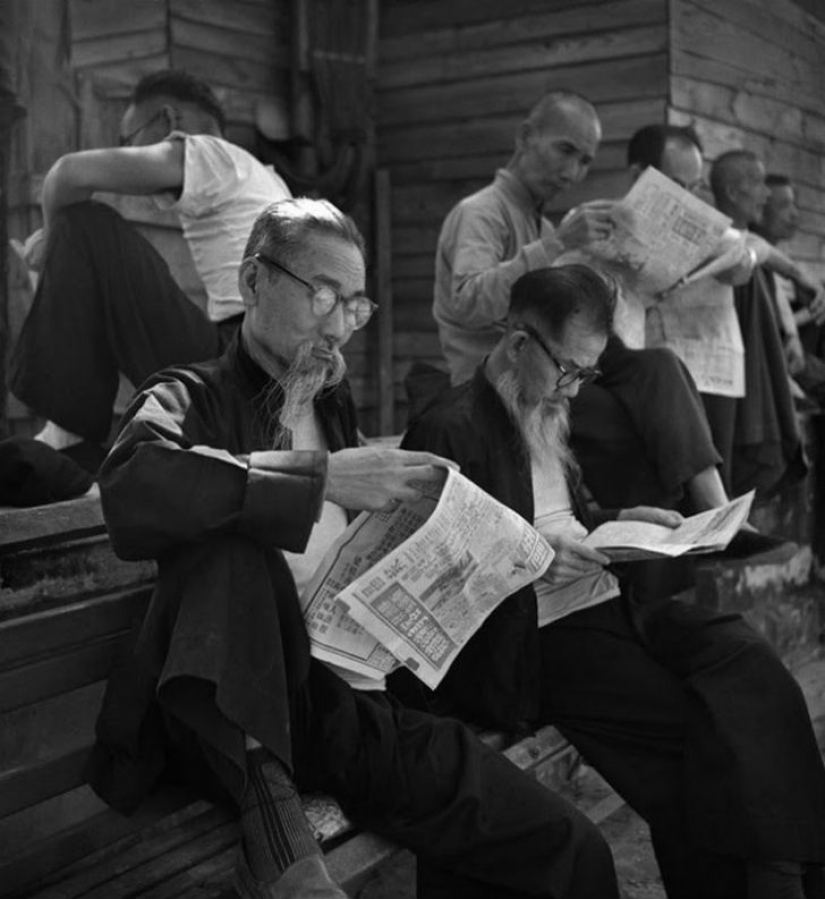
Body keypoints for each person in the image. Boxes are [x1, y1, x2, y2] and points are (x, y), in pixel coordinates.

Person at [86, 198, 619, 899]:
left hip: (360, 694)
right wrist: (322, 478)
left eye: (353, 304)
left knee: (563, 845)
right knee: (232, 547)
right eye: (322, 295)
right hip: (258, 705)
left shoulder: (329, 403)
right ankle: (272, 825)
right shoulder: (188, 394)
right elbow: (129, 484)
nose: (338, 326)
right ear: (253, 282)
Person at [400, 263, 825, 899]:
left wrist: (621, 521)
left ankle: (794, 867)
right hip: (535, 636)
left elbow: (566, 516)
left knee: (744, 655)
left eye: (587, 374)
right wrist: (532, 560)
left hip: (601, 597)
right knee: (700, 728)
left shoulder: (544, 403)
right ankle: (770, 879)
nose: (574, 389)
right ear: (518, 345)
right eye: (569, 370)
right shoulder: (450, 426)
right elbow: (427, 578)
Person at [433, 89, 728, 514]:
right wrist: (558, 243)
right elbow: (466, 302)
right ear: (524, 137)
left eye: (585, 160)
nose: (572, 172)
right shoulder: (481, 211)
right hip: (498, 373)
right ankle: (661, 554)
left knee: (659, 366)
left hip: (552, 362)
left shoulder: (540, 221)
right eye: (565, 150)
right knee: (620, 422)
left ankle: (715, 510)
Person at [9, 69, 291, 470]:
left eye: (128, 138)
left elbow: (67, 174)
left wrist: (52, 241)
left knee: (83, 224)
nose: (127, 149)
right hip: (264, 389)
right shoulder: (269, 180)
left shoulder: (211, 152)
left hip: (236, 377)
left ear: (169, 121)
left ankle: (68, 431)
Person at [710, 150, 807, 497]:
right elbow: (743, 251)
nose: (765, 195)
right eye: (759, 184)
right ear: (734, 193)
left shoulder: (754, 249)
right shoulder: (730, 253)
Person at [753, 174, 825, 405]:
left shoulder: (785, 266)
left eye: (795, 205)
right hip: (779, 359)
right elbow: (768, 330)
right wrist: (803, 319)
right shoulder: (753, 263)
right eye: (784, 205)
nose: (795, 214)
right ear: (759, 209)